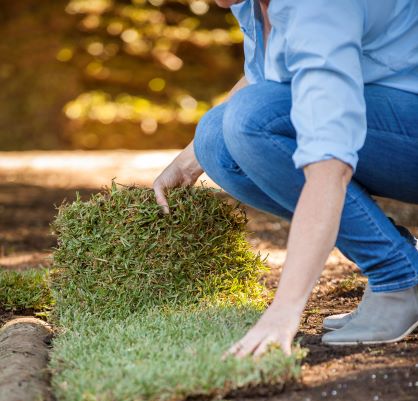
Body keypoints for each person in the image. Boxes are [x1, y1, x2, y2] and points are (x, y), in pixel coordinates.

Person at [153, 0, 418, 356]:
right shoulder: (252, 4)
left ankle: (398, 278)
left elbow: (329, 167)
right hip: (395, 116)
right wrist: (187, 162)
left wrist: (284, 310)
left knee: (252, 118)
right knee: (215, 137)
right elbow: (264, 77)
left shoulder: (317, 7)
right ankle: (397, 262)